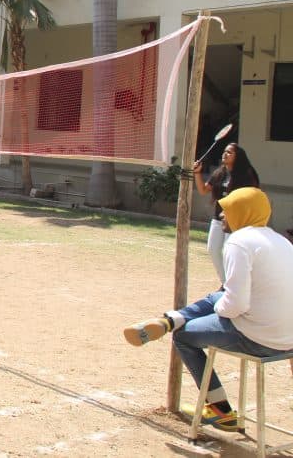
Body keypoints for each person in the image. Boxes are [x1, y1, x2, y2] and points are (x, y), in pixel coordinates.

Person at [123, 187, 293, 430]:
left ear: (242, 212)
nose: (222, 216)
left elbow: (235, 305)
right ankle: (172, 318)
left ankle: (219, 409)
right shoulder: (282, 242)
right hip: (287, 338)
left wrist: (219, 309)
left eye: (228, 210)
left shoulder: (239, 242)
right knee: (220, 294)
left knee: (183, 336)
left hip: (259, 338)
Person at [193, 142, 259, 282]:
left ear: (238, 156)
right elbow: (203, 190)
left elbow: (253, 196)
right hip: (219, 219)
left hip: (236, 221)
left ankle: (233, 284)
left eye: (229, 152)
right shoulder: (220, 173)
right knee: (213, 249)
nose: (225, 154)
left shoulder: (247, 174)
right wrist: (198, 173)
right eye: (224, 151)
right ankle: (225, 283)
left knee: (230, 253)